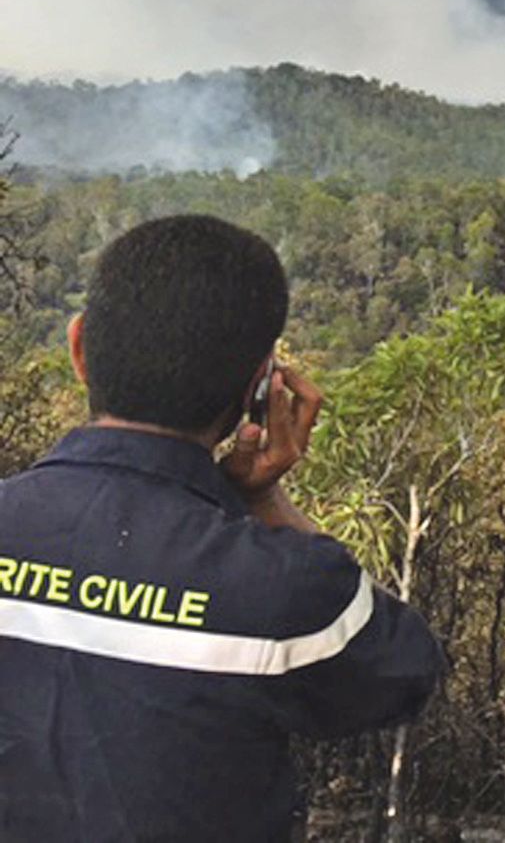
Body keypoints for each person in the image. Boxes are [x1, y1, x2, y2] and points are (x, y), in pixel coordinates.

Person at [0, 214, 444, 841]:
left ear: (78, 349)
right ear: (257, 389)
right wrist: (265, 501)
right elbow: (402, 672)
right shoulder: (282, 588)